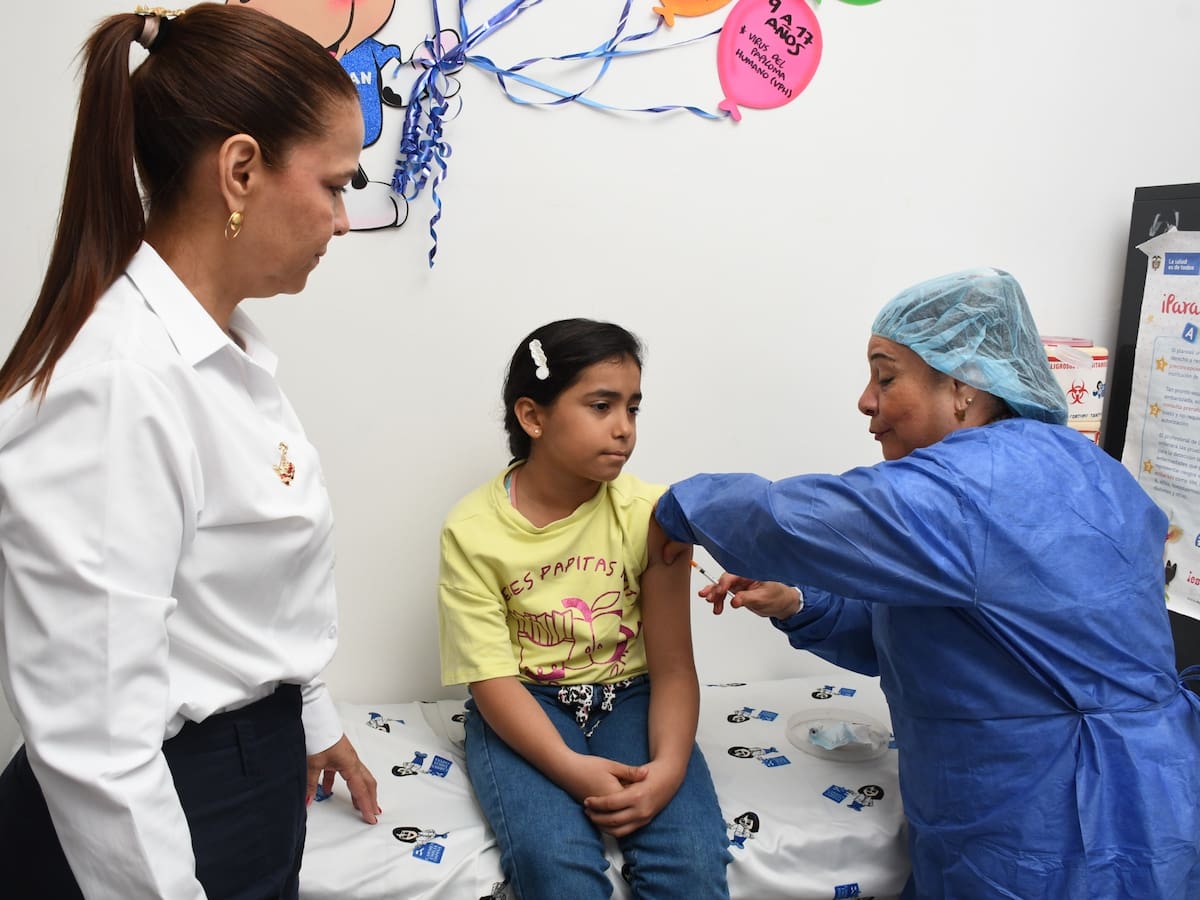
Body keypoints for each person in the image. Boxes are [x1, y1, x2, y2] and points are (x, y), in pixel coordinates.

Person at [653, 268, 1200, 898]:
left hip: (1069, 822)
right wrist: (796, 601)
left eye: (886, 376)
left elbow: (787, 520)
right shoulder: (1073, 465)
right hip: (1124, 788)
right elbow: (941, 636)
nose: (865, 399)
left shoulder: (982, 484)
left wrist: (674, 506)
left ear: (965, 386)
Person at [0, 6, 381, 898]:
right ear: (241, 169)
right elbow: (99, 741)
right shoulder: (121, 383)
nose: (344, 220)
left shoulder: (225, 356)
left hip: (246, 772)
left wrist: (310, 716)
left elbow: (239, 599)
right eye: (334, 185)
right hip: (169, 807)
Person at [437, 319, 731, 899]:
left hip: (633, 695)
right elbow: (492, 679)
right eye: (602, 405)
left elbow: (673, 667)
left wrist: (669, 769)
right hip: (524, 706)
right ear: (533, 417)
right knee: (554, 866)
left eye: (633, 408)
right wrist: (570, 767)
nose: (624, 429)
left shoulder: (654, 515)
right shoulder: (471, 531)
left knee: (693, 864)